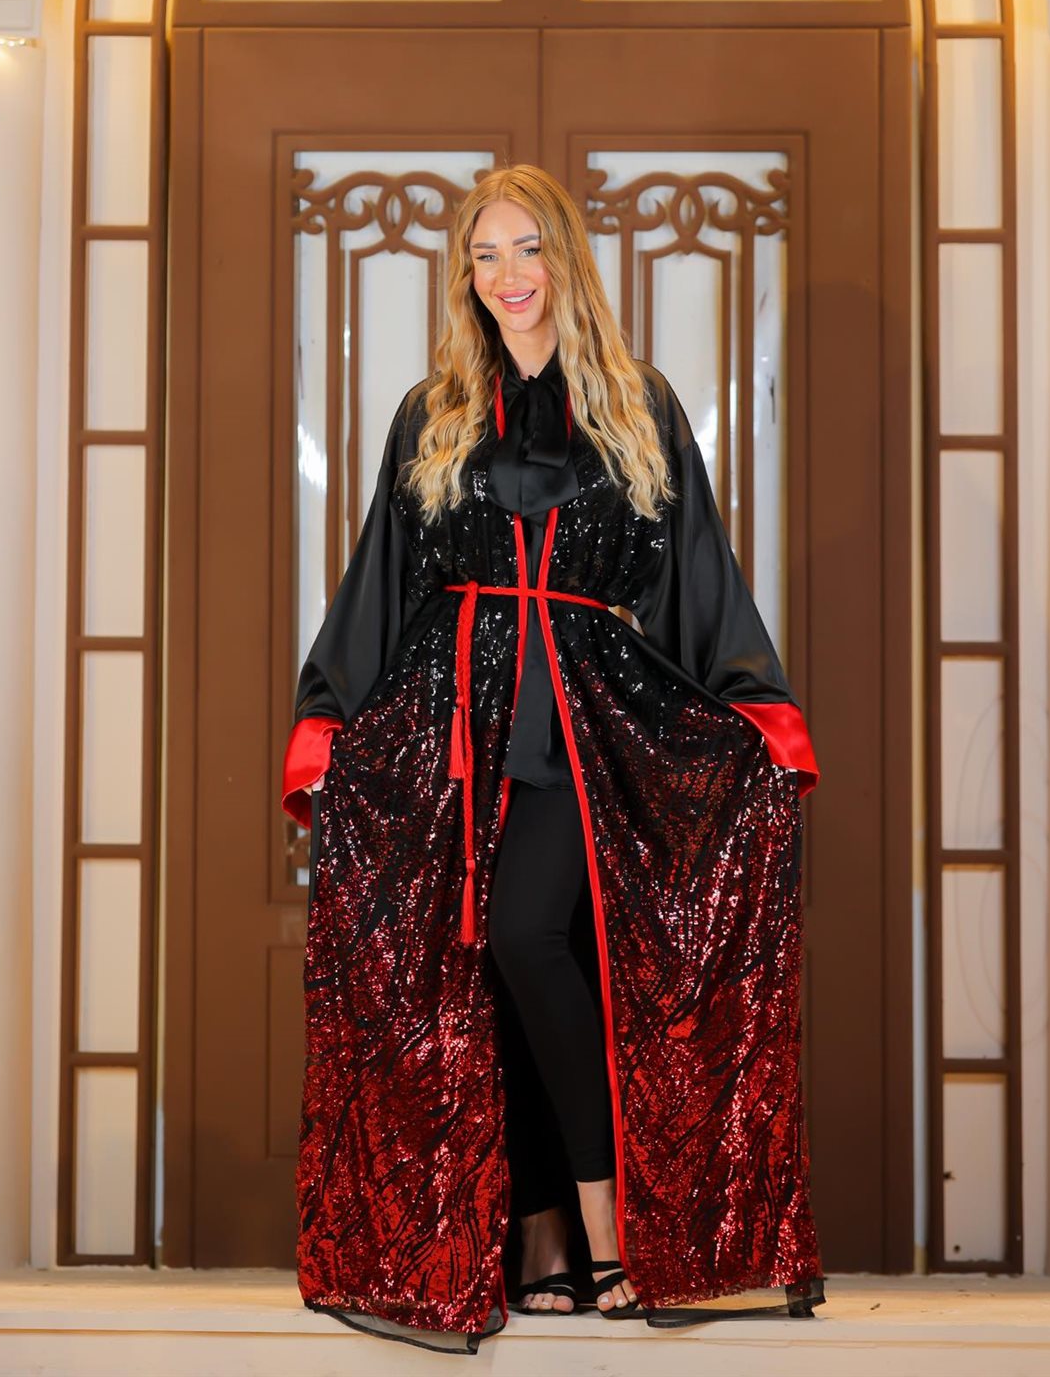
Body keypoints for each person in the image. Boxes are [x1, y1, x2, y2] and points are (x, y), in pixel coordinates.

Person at [282, 163, 826, 1352]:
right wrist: (329, 718)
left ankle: (605, 1224)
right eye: (484, 255)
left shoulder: (635, 402)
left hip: (587, 719)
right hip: (451, 720)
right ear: (465, 275)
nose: (507, 276)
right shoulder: (434, 411)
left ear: (566, 259)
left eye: (526, 249)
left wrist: (755, 705)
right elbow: (384, 574)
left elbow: (693, 569)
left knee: (530, 933)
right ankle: (534, 1242)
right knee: (482, 968)